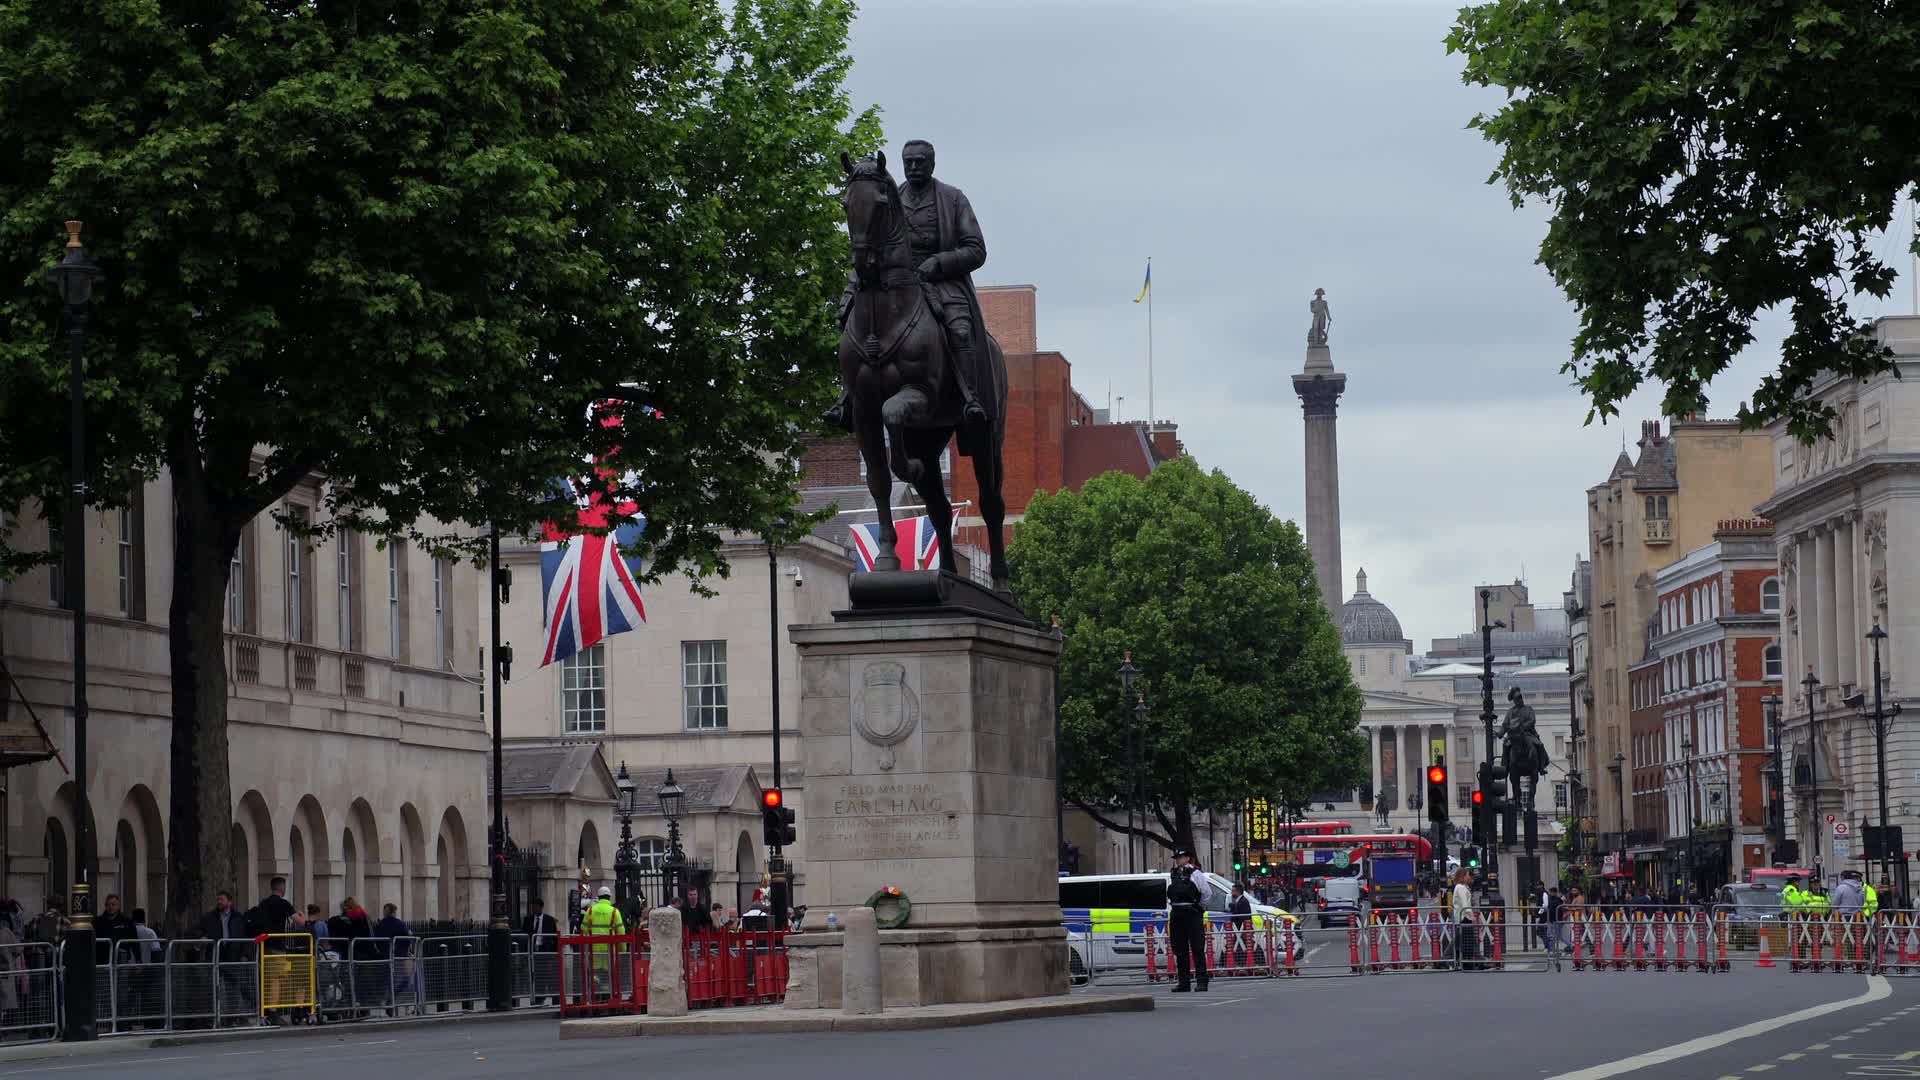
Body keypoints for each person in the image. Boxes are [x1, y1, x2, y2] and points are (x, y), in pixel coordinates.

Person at [825, 138, 992, 430]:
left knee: (960, 328)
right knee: (850, 319)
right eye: (908, 162)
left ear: (932, 164)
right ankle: (847, 399)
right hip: (892, 280)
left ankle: (970, 398)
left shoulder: (953, 199)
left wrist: (939, 262)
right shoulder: (889, 197)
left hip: (939, 281)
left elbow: (976, 249)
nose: (914, 167)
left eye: (920, 162)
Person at [1165, 846, 1211, 992]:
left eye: (1181, 857)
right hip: (1177, 914)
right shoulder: (1174, 874)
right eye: (1177, 858)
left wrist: (1199, 908)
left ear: (1188, 858)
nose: (1178, 860)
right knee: (1180, 950)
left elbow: (1206, 893)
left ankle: (1202, 982)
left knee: (1197, 948)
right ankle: (1184, 982)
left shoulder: (1196, 874)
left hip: (1192, 913)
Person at [583, 887, 627, 996]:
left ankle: (596, 995)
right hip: (609, 952)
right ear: (609, 897)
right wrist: (623, 950)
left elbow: (583, 930)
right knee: (608, 976)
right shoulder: (614, 911)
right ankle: (607, 996)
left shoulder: (590, 910)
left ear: (598, 897)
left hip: (594, 951)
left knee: (595, 975)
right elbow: (621, 933)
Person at [522, 898, 562, 1006]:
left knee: (547, 975)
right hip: (533, 950)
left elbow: (554, 937)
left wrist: (555, 953)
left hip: (545, 951)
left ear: (541, 907)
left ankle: (550, 997)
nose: (533, 909)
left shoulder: (549, 920)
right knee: (536, 975)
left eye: (535, 907)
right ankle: (539, 997)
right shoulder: (528, 919)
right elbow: (524, 936)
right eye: (532, 907)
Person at [1451, 869, 1479, 969]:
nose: (1469, 877)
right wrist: (1472, 916)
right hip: (1464, 917)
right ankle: (1467, 963)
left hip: (1462, 917)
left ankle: (1461, 961)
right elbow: (1465, 904)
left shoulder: (1462, 887)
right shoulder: (1461, 888)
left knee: (1461, 940)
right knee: (1466, 941)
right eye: (1467, 875)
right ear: (1463, 876)